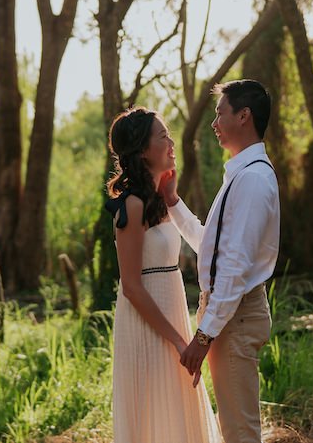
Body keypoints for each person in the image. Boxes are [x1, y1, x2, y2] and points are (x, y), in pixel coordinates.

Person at [159, 79, 280, 443]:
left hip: (236, 316)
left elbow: (235, 268)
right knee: (234, 427)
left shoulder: (254, 180)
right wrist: (173, 202)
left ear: (244, 116)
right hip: (230, 315)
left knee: (240, 432)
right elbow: (212, 250)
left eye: (220, 114)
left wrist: (203, 334)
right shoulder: (241, 175)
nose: (214, 123)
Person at [106, 107, 222, 443]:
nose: (171, 142)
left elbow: (203, 244)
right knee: (153, 413)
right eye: (163, 136)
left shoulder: (160, 200)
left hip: (173, 314)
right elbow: (131, 286)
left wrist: (171, 197)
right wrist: (176, 340)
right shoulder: (131, 205)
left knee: (178, 410)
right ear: (143, 149)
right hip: (146, 326)